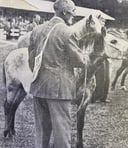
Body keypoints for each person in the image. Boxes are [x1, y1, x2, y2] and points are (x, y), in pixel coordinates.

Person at [28, 0, 88, 147]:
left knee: (41, 131)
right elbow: (78, 61)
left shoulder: (37, 30)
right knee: (62, 131)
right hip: (59, 90)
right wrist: (85, 57)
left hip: (38, 86)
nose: (74, 14)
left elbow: (31, 59)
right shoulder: (68, 32)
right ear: (64, 12)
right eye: (73, 11)